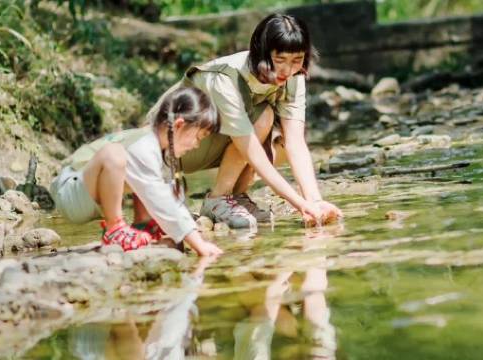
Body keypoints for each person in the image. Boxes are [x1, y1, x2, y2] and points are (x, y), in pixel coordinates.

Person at [165, 13, 343, 229]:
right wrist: (301, 205)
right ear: (261, 53)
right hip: (172, 153)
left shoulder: (293, 77)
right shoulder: (224, 78)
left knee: (272, 132)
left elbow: (295, 142)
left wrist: (315, 201)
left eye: (297, 60)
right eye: (279, 60)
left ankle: (236, 197)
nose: (287, 70)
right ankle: (217, 199)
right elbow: (250, 150)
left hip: (212, 143)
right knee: (263, 117)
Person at [50, 85, 224, 257]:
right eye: (198, 137)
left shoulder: (164, 150)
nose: (197, 145)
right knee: (115, 154)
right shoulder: (144, 145)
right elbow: (162, 201)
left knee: (151, 180)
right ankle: (115, 228)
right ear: (179, 125)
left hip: (92, 195)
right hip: (71, 192)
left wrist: (188, 232)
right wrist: (199, 245)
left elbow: (169, 198)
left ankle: (144, 227)